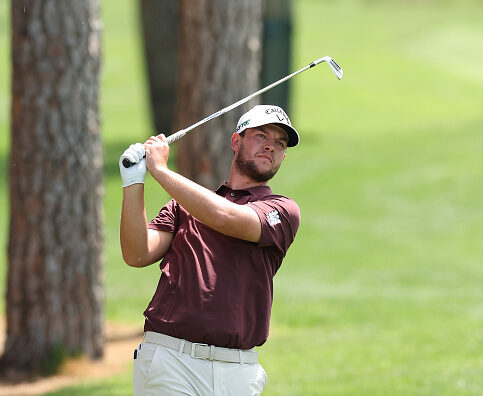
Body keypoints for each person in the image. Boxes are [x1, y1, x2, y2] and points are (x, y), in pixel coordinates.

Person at [119, 105, 301, 396]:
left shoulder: (282, 210)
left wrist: (161, 171)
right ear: (236, 141)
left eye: (280, 143)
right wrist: (133, 181)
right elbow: (137, 253)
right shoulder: (183, 207)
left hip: (238, 369)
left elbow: (225, 217)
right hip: (170, 360)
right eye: (261, 135)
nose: (271, 145)